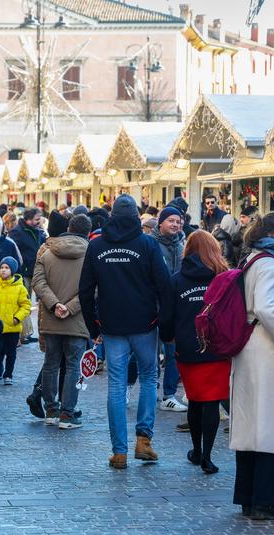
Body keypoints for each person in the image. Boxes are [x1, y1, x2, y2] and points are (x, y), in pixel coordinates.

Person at [79, 194, 171, 470]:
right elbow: (164, 286)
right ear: (135, 218)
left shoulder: (96, 247)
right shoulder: (148, 245)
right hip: (145, 323)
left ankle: (119, 451)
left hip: (112, 324)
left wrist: (92, 324)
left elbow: (84, 290)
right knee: (148, 377)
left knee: (117, 386)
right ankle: (144, 439)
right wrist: (163, 320)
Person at [230, 210, 274, 521]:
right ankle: (266, 499)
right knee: (273, 424)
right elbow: (265, 305)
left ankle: (249, 497)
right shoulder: (272, 262)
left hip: (251, 346)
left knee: (254, 424)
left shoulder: (254, 258)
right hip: (266, 348)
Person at [159, 230, 231, 474]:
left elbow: (167, 315)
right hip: (218, 347)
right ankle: (207, 456)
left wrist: (168, 337)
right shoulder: (224, 278)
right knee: (211, 401)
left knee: (195, 399)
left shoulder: (177, 279)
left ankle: (197, 450)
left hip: (188, 347)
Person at [33, 214, 91, 429]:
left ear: (68, 227)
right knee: (73, 366)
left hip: (51, 317)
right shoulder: (91, 253)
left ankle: (51, 409)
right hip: (77, 319)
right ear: (87, 232)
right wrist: (71, 307)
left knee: (51, 363)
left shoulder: (47, 251)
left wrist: (54, 304)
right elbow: (92, 288)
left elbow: (38, 282)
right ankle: (67, 413)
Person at [151, 207, 187, 412]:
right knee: (149, 352)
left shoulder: (181, 244)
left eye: (178, 221)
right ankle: (136, 385)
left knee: (173, 351)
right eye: (171, 221)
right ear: (161, 222)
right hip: (154, 306)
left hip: (174, 306)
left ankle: (169, 395)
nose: (175, 224)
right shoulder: (151, 244)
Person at [0, 257, 31, 385]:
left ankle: (8, 374)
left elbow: (26, 306)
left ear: (12, 270)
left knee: (11, 354)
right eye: (1, 268)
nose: (3, 270)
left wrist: (17, 318)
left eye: (7, 268)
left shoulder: (20, 288)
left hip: (12, 327)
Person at [8, 208, 46, 345]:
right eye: (37, 219)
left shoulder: (39, 231)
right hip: (24, 273)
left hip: (37, 271)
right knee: (24, 302)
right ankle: (21, 334)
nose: (39, 221)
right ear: (28, 219)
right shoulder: (16, 232)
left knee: (30, 303)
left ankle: (26, 332)